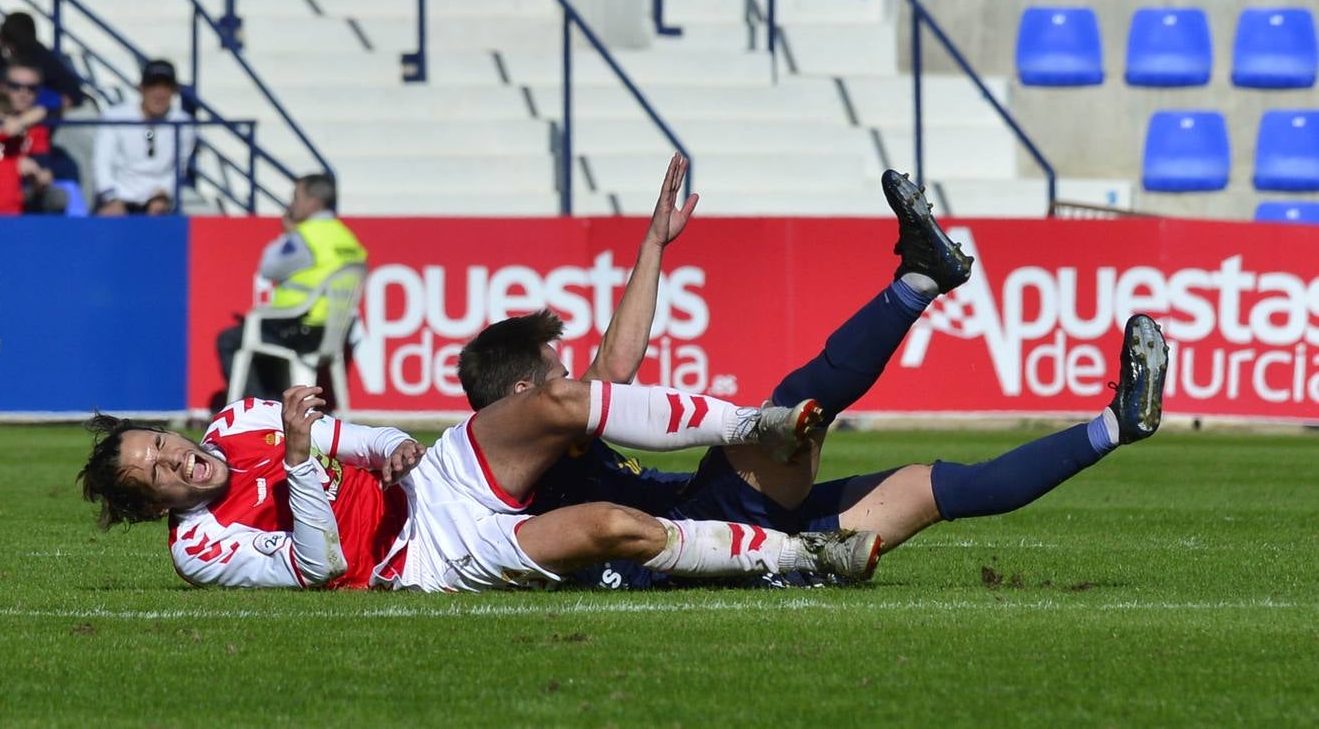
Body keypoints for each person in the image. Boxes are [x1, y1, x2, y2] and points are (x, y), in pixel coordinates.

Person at [460, 166, 1170, 589]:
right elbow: (614, 367)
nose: (574, 385)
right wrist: (651, 246)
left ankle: (1117, 424)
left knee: (937, 485)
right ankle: (922, 277)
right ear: (521, 395)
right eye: (556, 375)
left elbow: (609, 367)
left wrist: (651, 245)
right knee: (796, 409)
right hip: (703, 529)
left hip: (721, 525)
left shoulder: (535, 452)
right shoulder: (522, 459)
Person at [78, 380, 880, 592]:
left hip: (433, 482)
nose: (172, 457)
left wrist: (391, 448)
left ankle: (753, 426)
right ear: (155, 506)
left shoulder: (238, 421)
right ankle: (804, 553)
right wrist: (297, 463)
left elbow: (365, 439)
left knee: (560, 403)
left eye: (159, 441)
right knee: (610, 524)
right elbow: (316, 568)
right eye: (152, 473)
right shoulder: (200, 550)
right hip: (427, 558)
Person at [214, 173, 366, 403]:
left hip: (301, 328)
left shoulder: (306, 236)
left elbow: (268, 268)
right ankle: (275, 404)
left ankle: (261, 413)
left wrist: (288, 234)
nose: (291, 205)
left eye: (296, 198)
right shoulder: (348, 238)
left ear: (313, 201)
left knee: (231, 339)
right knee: (260, 335)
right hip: (332, 331)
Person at [92, 59, 192, 215]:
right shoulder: (115, 116)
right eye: (153, 86)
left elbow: (179, 167)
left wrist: (164, 194)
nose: (159, 93)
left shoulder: (183, 123)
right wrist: (111, 198)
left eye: (165, 87)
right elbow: (102, 163)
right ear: (141, 88)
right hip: (118, 198)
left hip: (159, 201)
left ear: (174, 90)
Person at [0, 87, 56, 216]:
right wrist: (16, 124)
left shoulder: (12, 143)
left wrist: (36, 174)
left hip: (11, 213)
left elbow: (41, 111)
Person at [0, 59, 73, 214]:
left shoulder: (38, 126)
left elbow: (42, 163)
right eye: (15, 86)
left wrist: (41, 175)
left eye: (31, 88)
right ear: (3, 87)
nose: (23, 93)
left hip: (23, 192)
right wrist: (13, 166)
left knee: (58, 196)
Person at [0, 12, 85, 108]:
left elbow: (73, 94)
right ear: (1, 38)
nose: (19, 53)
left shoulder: (36, 52)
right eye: (14, 48)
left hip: (31, 129)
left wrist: (40, 111)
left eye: (31, 88)